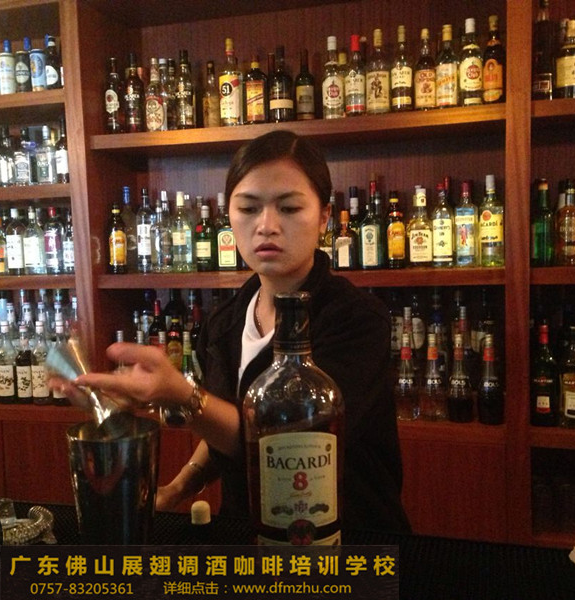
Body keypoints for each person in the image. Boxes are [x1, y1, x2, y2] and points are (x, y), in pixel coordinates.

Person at [63, 130, 410, 534]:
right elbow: (227, 420)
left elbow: (287, 444)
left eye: (289, 208)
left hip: (345, 539)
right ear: (229, 215)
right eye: (248, 208)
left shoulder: (357, 319)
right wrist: (179, 485)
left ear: (324, 217)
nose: (266, 226)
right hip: (248, 535)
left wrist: (183, 396)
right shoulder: (225, 320)